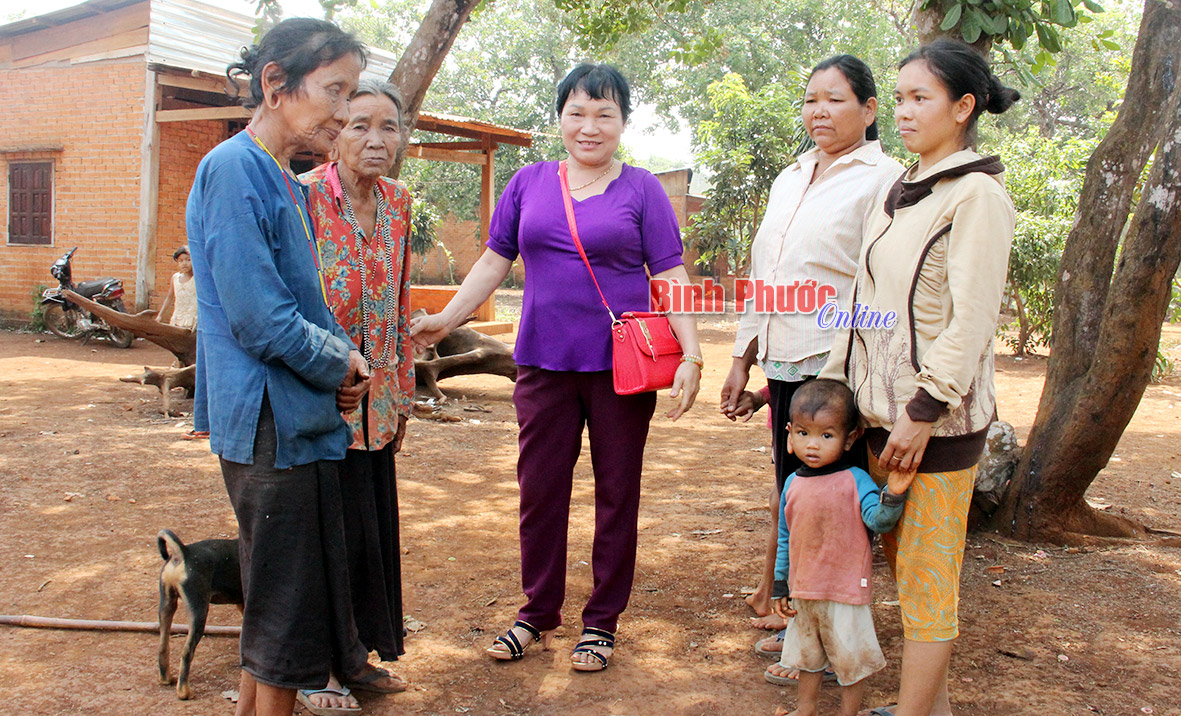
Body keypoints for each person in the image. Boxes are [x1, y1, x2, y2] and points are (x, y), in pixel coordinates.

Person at [411, 63, 702, 672]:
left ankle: (601, 622)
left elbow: (670, 276)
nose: (589, 126)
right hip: (542, 362)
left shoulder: (643, 188)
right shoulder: (529, 183)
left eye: (605, 113)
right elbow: (494, 261)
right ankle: (538, 612)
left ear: (623, 121)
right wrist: (447, 316)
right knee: (540, 490)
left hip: (620, 369)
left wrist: (691, 353)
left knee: (617, 494)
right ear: (560, 117)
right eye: (577, 112)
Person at [187, 18, 386, 716]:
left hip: (294, 421)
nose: (342, 110)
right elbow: (260, 318)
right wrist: (340, 362)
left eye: (351, 91)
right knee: (285, 618)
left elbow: (300, 302)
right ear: (275, 83)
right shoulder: (235, 169)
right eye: (334, 89)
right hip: (269, 422)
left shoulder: (280, 179)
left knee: (279, 612)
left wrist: (344, 364)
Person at [820, 38, 1019, 716]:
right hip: (880, 421)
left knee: (927, 586)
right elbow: (864, 305)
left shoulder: (977, 197)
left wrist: (922, 410)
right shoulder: (902, 192)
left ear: (963, 108)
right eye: (899, 98)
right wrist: (836, 393)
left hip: (932, 429)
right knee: (906, 575)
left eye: (918, 99)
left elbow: (970, 323)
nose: (902, 111)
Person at [718, 55, 903, 648]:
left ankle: (820, 625)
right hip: (782, 360)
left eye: (835, 99)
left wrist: (838, 372)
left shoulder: (884, 179)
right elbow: (765, 271)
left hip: (836, 367)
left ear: (869, 110)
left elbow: (875, 281)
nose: (818, 111)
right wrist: (742, 357)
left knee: (835, 502)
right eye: (809, 100)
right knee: (795, 490)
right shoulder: (791, 175)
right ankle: (798, 612)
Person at [298, 78, 414, 714]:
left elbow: (397, 303)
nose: (375, 139)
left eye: (388, 127)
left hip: (379, 404)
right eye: (359, 125)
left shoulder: (397, 202)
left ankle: (360, 656)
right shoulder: (306, 198)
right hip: (321, 401)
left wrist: (402, 395)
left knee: (366, 532)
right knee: (321, 535)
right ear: (335, 133)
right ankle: (318, 667)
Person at [767, 379, 913, 716]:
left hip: (846, 590)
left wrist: (893, 494)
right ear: (788, 433)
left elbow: (877, 521)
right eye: (803, 434)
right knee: (808, 659)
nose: (812, 446)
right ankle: (806, 710)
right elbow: (786, 538)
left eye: (826, 436)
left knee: (850, 661)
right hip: (804, 590)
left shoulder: (856, 480)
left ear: (849, 439)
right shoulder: (792, 483)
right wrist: (780, 585)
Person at [156, 246, 198, 330]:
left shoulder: (197, 279)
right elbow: (169, 297)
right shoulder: (175, 278)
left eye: (188, 260)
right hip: (177, 319)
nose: (184, 263)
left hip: (193, 320)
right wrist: (160, 315)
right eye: (181, 261)